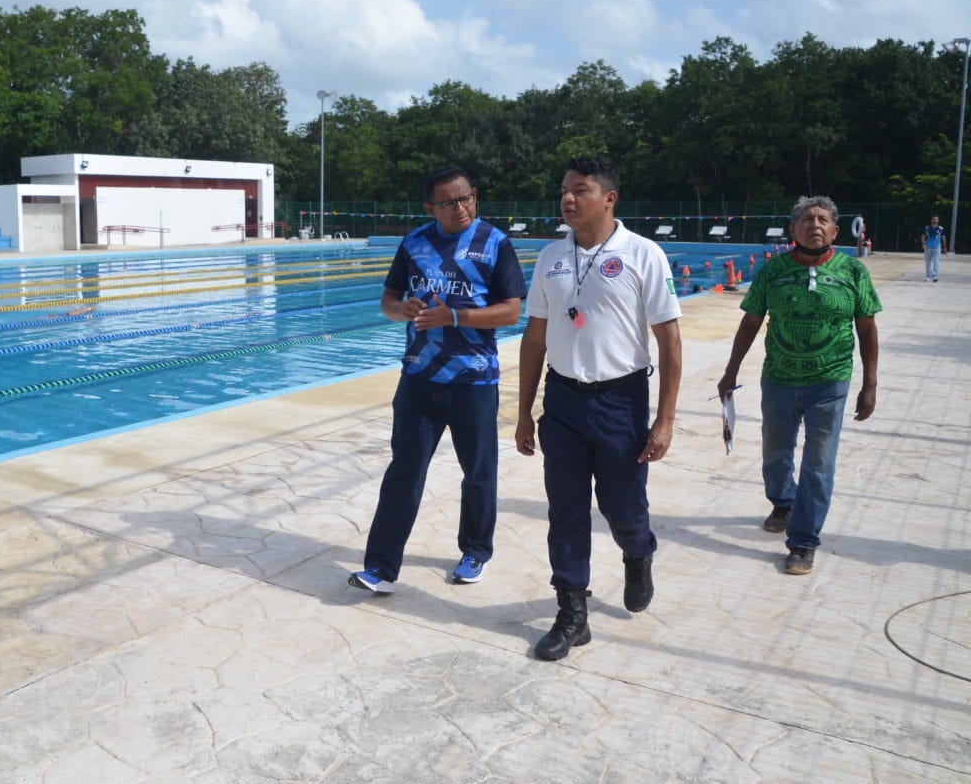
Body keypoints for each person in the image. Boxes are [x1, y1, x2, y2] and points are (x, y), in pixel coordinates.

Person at [515, 156, 682, 661]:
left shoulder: (643, 254)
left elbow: (669, 340)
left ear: (609, 199)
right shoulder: (550, 257)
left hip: (620, 402)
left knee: (621, 507)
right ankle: (571, 612)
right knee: (565, 511)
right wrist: (524, 410)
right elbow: (535, 335)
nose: (567, 199)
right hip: (562, 399)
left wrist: (666, 418)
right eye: (564, 190)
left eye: (580, 190)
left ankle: (638, 550)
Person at [348, 165, 527, 593]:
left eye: (466, 198)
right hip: (419, 377)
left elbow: (511, 311)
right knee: (404, 471)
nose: (460, 207)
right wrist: (402, 309)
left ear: (475, 197)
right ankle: (381, 568)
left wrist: (456, 315)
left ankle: (475, 551)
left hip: (474, 380)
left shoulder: (495, 244)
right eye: (448, 202)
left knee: (478, 471)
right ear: (431, 207)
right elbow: (388, 300)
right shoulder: (414, 243)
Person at [717, 196, 880, 575]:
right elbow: (751, 322)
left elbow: (867, 329)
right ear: (793, 229)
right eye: (807, 219)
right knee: (776, 453)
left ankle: (804, 541)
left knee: (819, 463)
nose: (815, 225)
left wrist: (869, 382)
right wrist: (731, 371)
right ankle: (783, 502)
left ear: (836, 231)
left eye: (823, 220)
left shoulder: (853, 272)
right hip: (779, 378)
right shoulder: (773, 272)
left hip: (831, 382)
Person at [921, 215, 948, 282]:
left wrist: (945, 248)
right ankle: (928, 276)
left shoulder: (940, 228)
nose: (935, 220)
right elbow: (922, 236)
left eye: (936, 219)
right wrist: (924, 244)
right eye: (934, 219)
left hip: (937, 248)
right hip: (928, 247)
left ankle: (935, 276)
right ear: (931, 220)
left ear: (938, 221)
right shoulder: (927, 228)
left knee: (936, 262)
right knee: (928, 263)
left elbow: (943, 238)